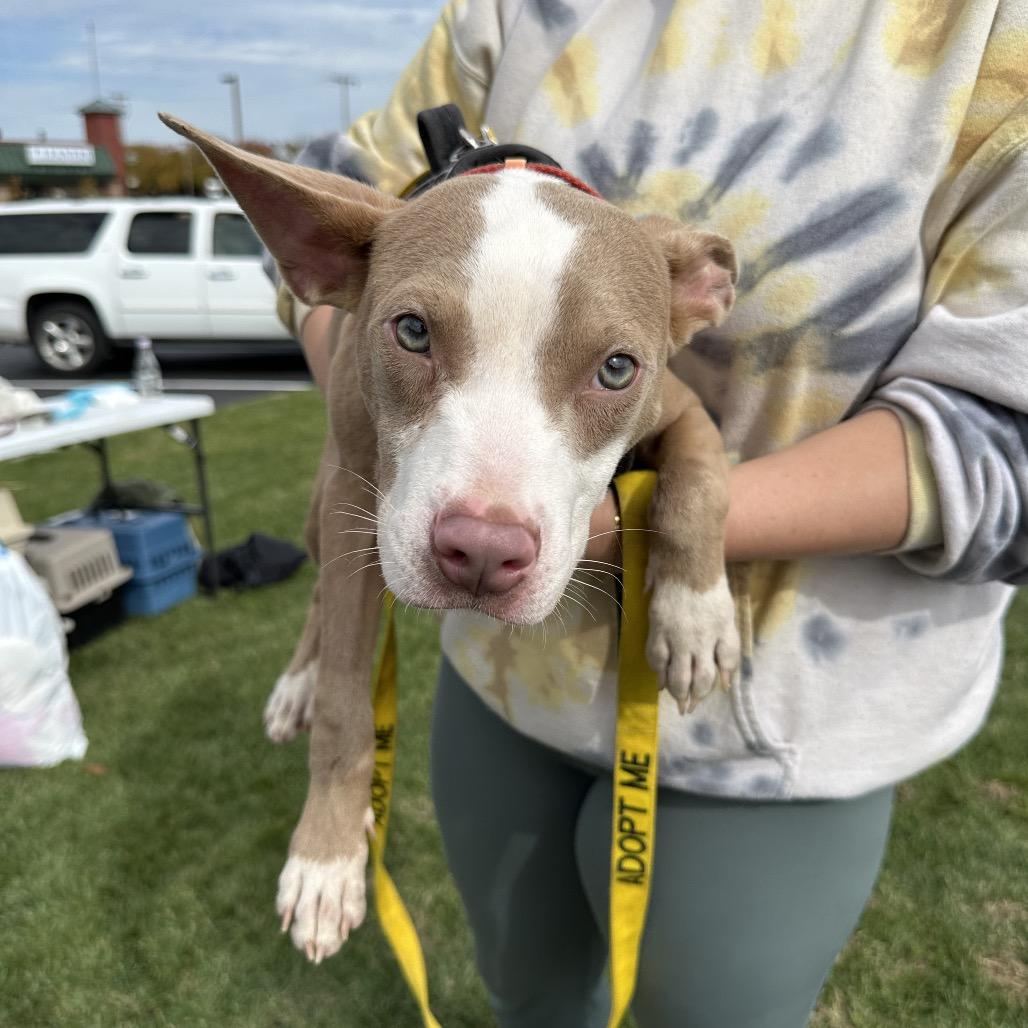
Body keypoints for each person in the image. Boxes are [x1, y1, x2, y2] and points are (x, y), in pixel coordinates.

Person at [273, 2, 1028, 1024]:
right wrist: (370, 399)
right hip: (499, 687)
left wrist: (680, 542)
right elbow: (332, 245)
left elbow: (1000, 440)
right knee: (525, 991)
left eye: (616, 363)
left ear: (703, 293)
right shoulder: (507, 9)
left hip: (771, 723)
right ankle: (314, 650)